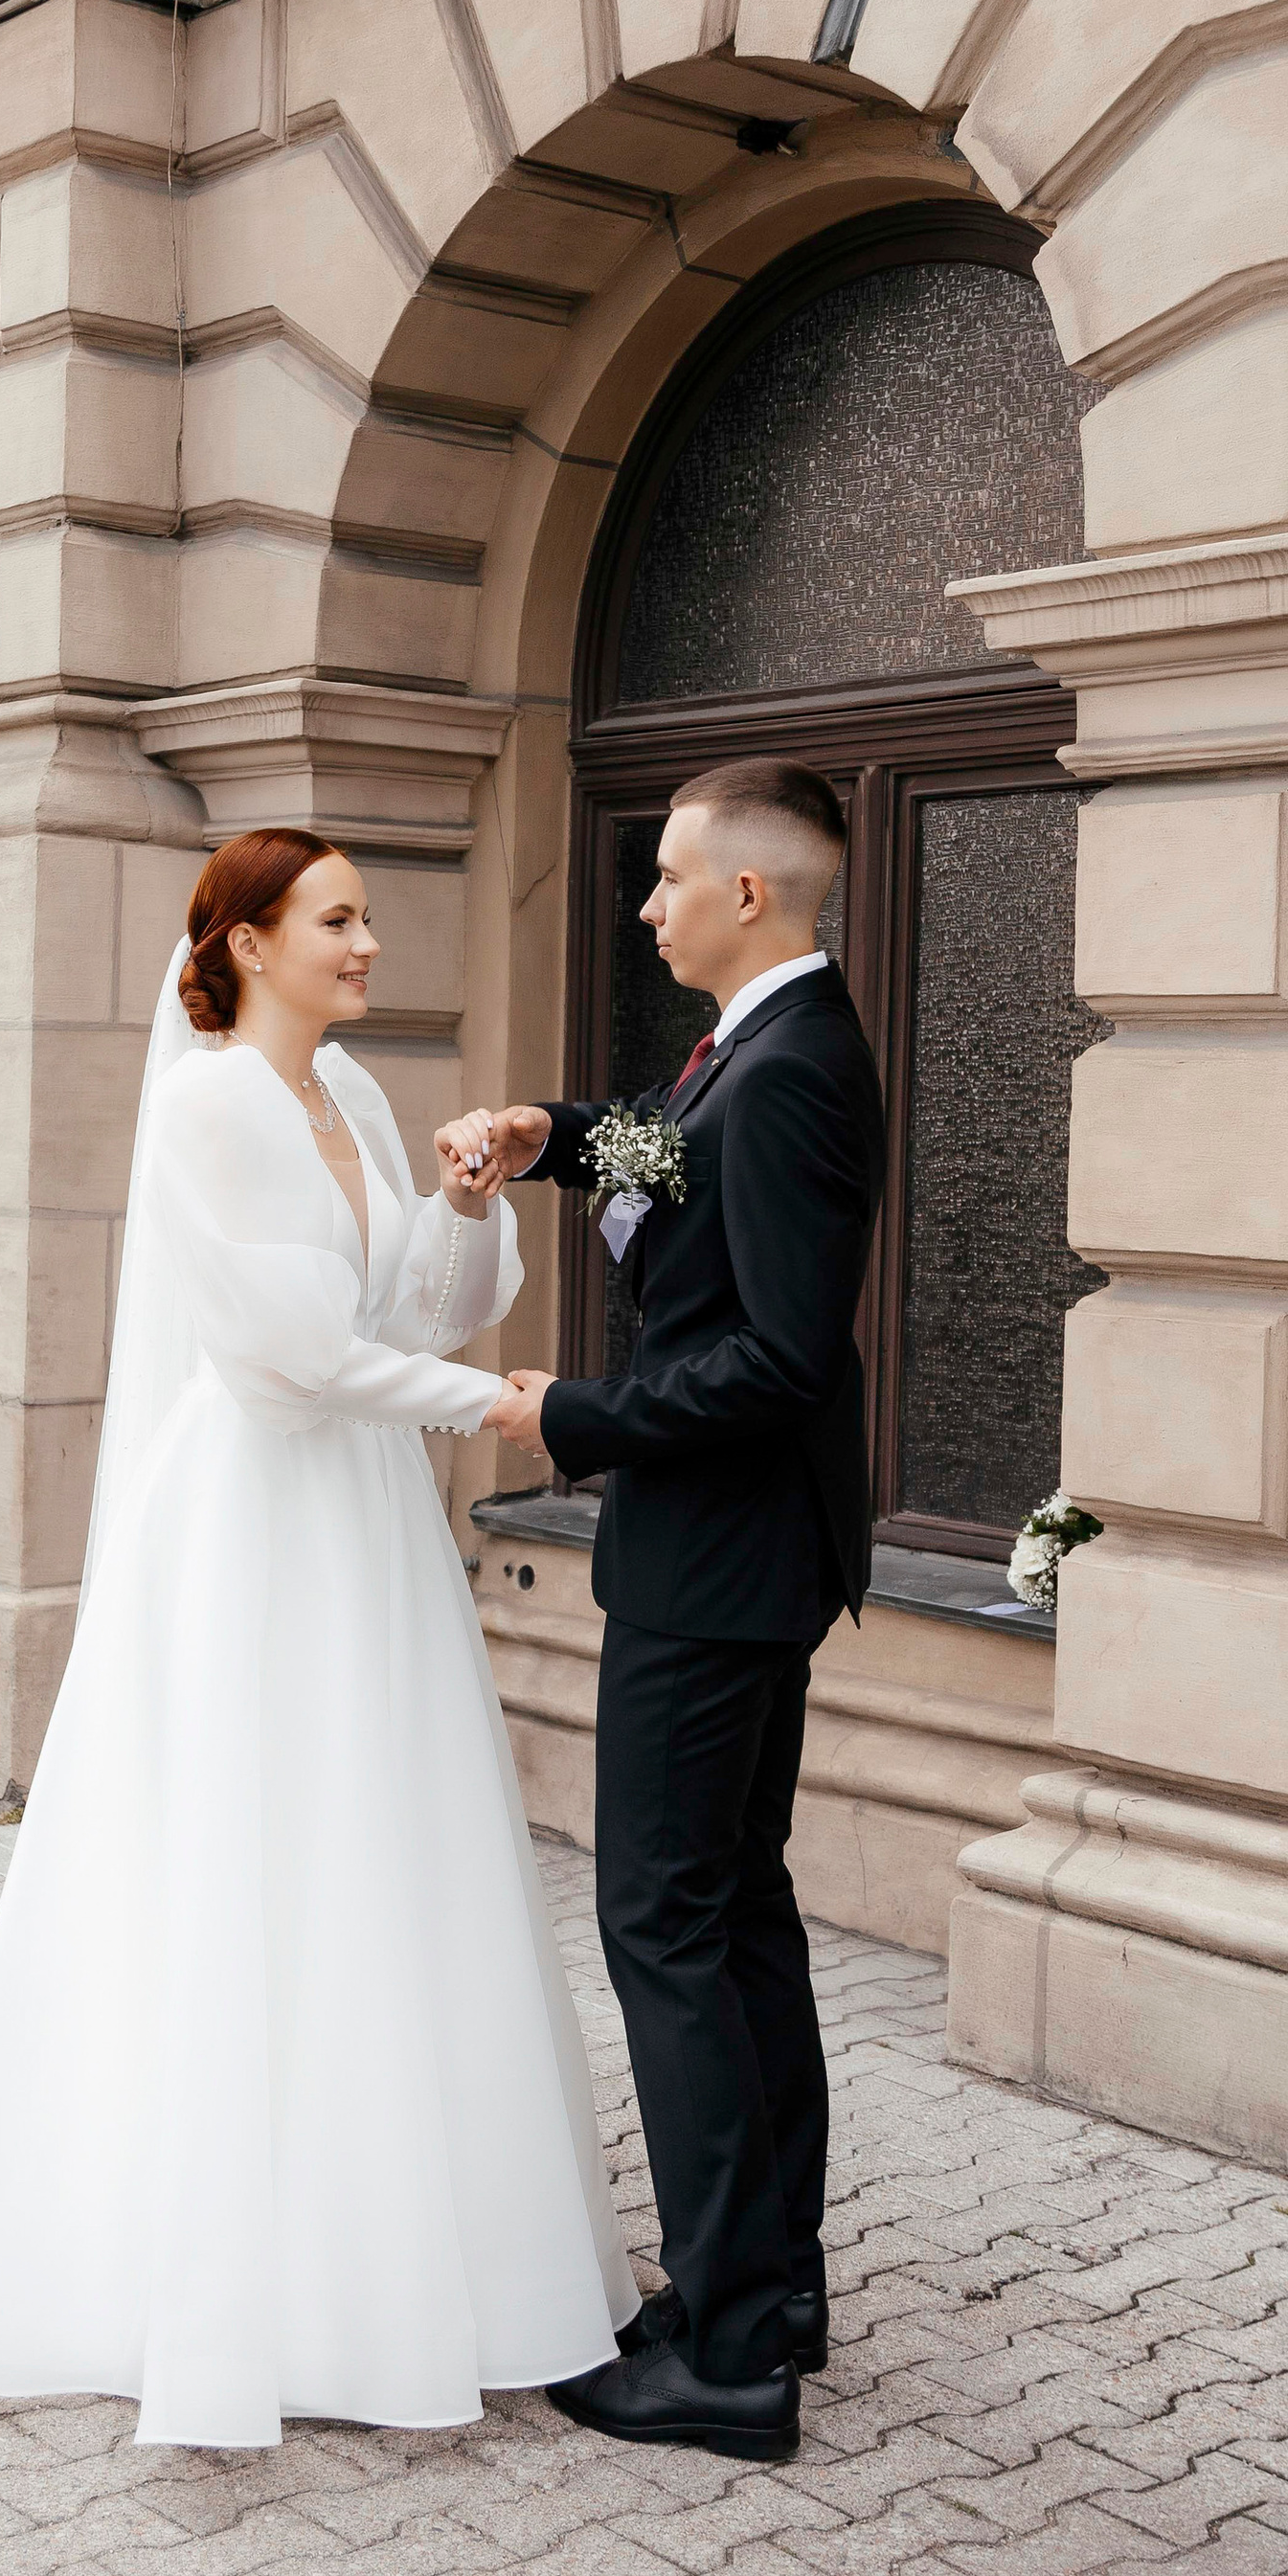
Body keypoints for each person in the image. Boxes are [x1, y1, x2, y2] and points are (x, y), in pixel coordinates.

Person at [0, 828, 635, 2449]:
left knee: (384, 1853)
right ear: (242, 945)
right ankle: (241, 2286)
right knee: (261, 1852)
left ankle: (412, 2255)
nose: (370, 943)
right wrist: (502, 1413)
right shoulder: (206, 1103)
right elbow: (288, 1361)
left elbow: (425, 1310)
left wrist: (470, 1207)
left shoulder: (348, 1098)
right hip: (259, 1517)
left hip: (364, 1514)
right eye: (338, 920)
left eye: (367, 917)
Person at [441, 757, 886, 2465]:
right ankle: (768, 2286)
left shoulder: (783, 1073)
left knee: (667, 1928)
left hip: (719, 1563)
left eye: (669, 880)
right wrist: (551, 1136)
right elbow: (671, 1167)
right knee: (735, 1914)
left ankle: (722, 2352)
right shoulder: (756, 1047)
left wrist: (563, 1415)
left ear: (748, 897)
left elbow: (777, 1360)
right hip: (740, 1561)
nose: (645, 906)